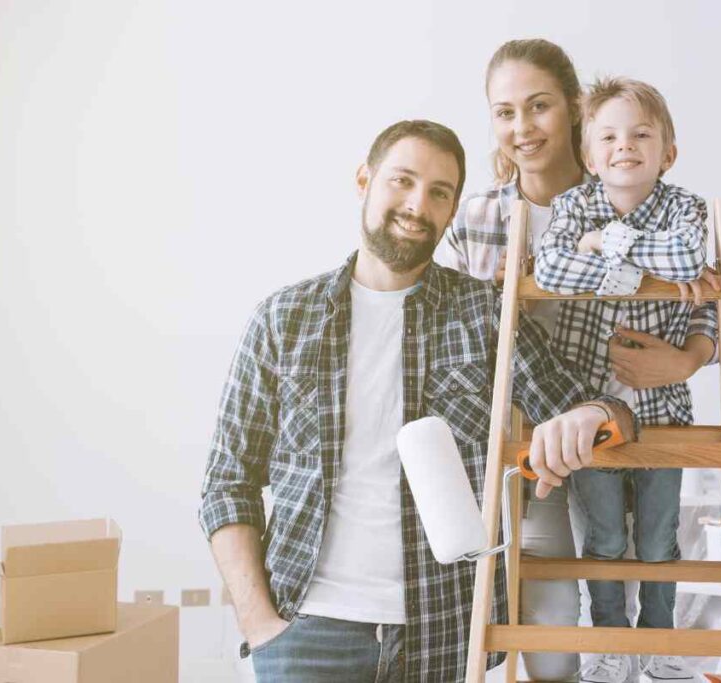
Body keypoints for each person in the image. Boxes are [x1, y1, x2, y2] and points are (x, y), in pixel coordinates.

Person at [199, 119, 637, 683]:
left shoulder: (483, 314)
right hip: (306, 633)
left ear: (452, 210)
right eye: (401, 181)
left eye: (438, 192)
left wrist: (593, 415)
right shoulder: (284, 320)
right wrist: (261, 625)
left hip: (445, 633)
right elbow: (226, 482)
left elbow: (600, 410)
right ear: (364, 179)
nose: (416, 204)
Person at [437, 39, 719, 683]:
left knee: (644, 550)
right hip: (526, 443)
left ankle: (652, 652)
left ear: (573, 111)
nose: (522, 127)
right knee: (557, 633)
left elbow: (703, 293)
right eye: (504, 112)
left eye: (538, 107)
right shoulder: (481, 215)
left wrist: (686, 361)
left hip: (621, 421)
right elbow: (453, 332)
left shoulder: (631, 192)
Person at [535, 76, 718, 683]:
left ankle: (661, 647)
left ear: (667, 151)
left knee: (660, 537)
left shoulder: (687, 208)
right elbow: (554, 266)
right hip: (589, 404)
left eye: (641, 134)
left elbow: (692, 262)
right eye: (609, 136)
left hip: (665, 407)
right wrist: (636, 259)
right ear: (589, 156)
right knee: (607, 538)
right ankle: (609, 645)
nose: (625, 146)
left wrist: (608, 246)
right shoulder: (573, 206)